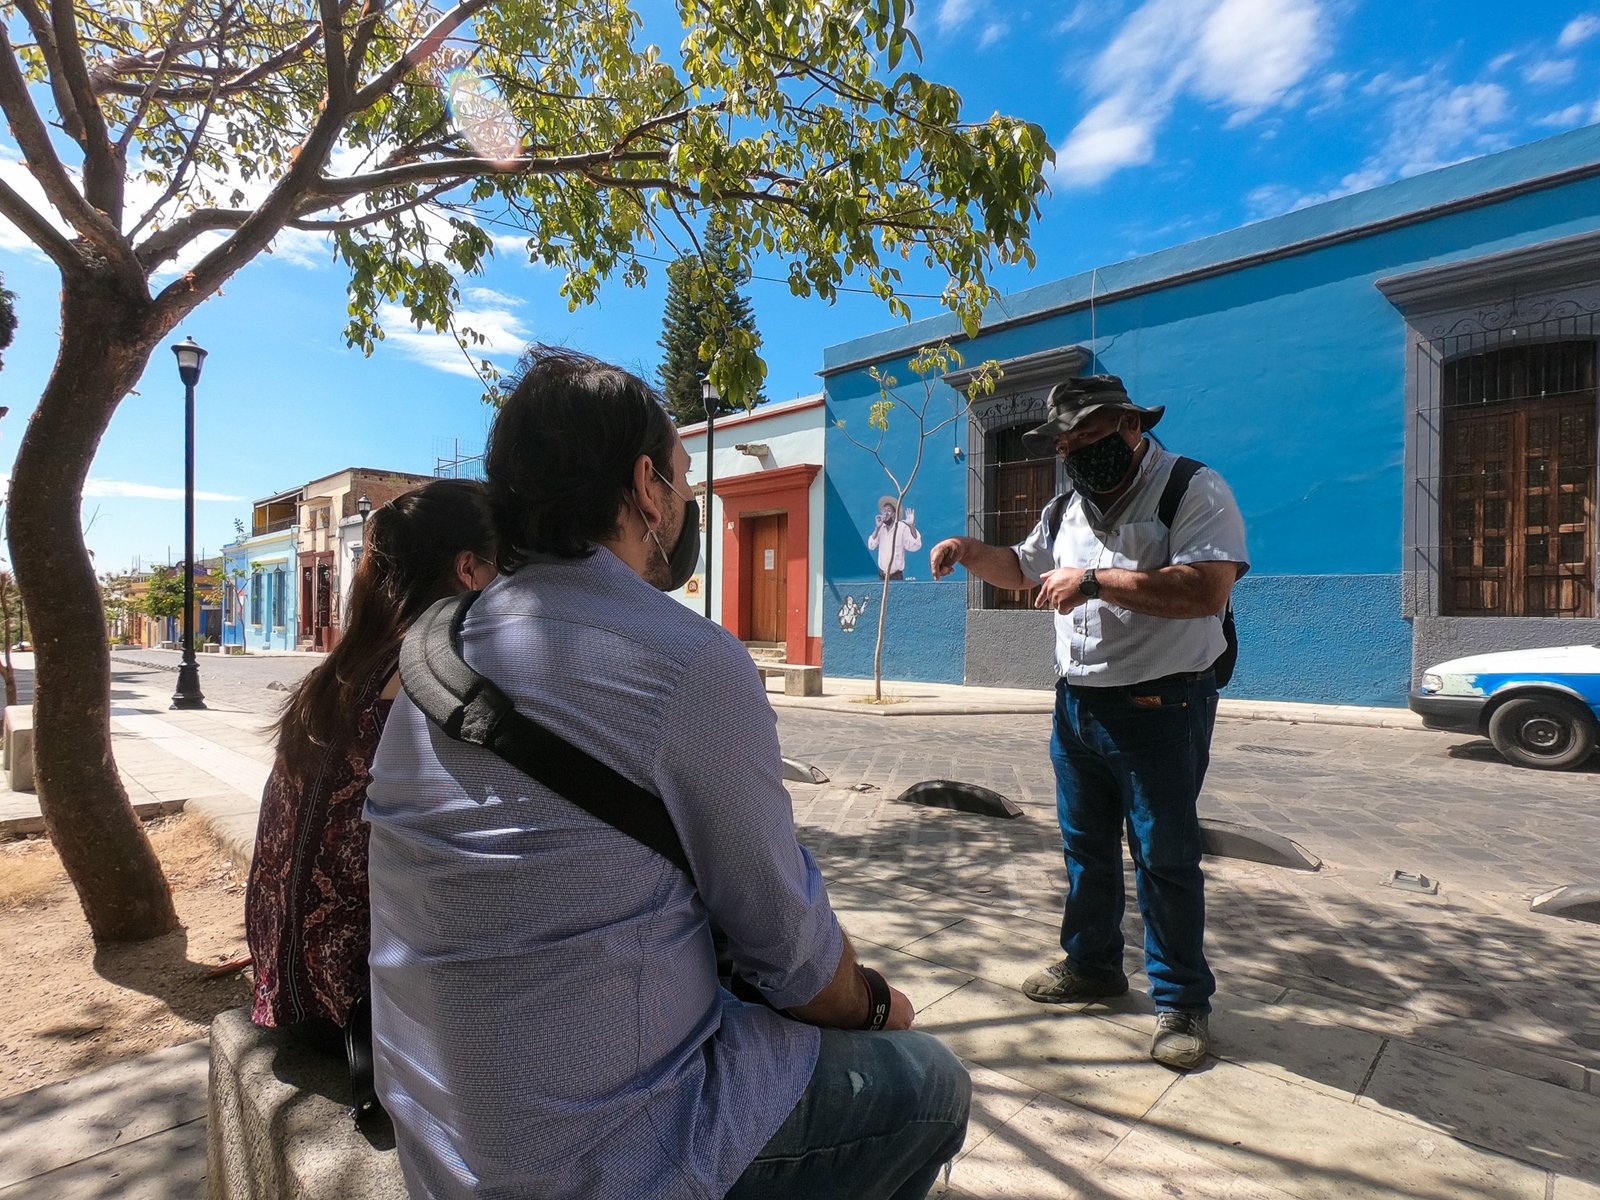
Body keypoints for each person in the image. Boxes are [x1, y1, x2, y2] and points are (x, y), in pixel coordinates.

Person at [364, 347, 969, 1200]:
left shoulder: (434, 654)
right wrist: (876, 1007)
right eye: (683, 478)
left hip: (442, 1133)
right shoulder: (690, 662)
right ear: (646, 487)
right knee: (928, 1082)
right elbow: (792, 956)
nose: (686, 502)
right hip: (599, 1160)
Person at [929, 374, 1248, 1071]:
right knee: (1085, 846)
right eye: (1067, 443)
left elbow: (1205, 590)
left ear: (1132, 426)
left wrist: (1096, 582)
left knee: (1163, 855)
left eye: (1091, 438)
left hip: (1162, 705)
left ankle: (1183, 1000)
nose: (1078, 453)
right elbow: (1022, 567)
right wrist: (968, 551)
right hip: (1077, 705)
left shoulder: (1193, 490)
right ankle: (1093, 963)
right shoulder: (1064, 508)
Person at [245, 479, 497, 1050]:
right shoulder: (430, 676)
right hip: (353, 1003)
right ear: (469, 570)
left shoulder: (348, 666)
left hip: (287, 983)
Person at [868, 495, 921, 580]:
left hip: (896, 576)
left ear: (893, 514)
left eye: (889, 511)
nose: (885, 513)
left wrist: (911, 526)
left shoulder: (902, 527)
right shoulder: (880, 528)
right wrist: (877, 528)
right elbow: (871, 545)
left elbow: (915, 546)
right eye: (884, 511)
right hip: (882, 575)